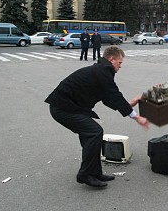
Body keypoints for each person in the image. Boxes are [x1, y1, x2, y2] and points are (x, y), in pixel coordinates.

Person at [45, 46, 149, 188]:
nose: (120, 67)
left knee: (90, 135)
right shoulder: (104, 70)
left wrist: (129, 104)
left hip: (70, 107)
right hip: (63, 108)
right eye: (120, 63)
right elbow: (114, 94)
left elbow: (107, 98)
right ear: (111, 59)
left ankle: (94, 172)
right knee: (94, 132)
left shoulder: (100, 70)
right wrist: (136, 117)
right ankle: (85, 175)